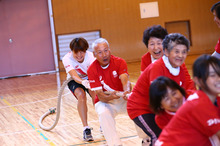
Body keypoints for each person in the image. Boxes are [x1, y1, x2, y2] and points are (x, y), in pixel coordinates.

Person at [127, 33, 196, 146]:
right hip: (141, 108)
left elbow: (189, 86)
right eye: (176, 51)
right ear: (166, 52)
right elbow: (157, 98)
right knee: (159, 136)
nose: (180, 55)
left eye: (183, 52)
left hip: (163, 106)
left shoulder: (181, 66)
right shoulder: (157, 67)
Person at [155, 54, 220, 146]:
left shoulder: (211, 100)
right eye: (213, 75)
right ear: (198, 81)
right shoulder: (200, 104)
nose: (218, 79)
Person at [87, 38, 131, 146]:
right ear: (94, 54)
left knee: (141, 108)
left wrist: (126, 91)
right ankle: (114, 144)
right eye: (100, 52)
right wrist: (111, 97)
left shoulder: (120, 62)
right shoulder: (92, 69)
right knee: (103, 113)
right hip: (106, 101)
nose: (104, 55)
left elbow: (124, 78)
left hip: (123, 98)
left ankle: (147, 139)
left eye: (106, 50)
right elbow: (100, 96)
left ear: (110, 50)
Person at [62, 37, 96, 141]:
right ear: (72, 51)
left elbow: (94, 73)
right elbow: (74, 75)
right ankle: (86, 128)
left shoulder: (91, 56)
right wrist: (83, 82)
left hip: (90, 78)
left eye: (82, 52)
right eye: (76, 52)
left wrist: (90, 83)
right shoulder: (66, 58)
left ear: (86, 51)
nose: (79, 55)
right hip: (75, 80)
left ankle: (103, 122)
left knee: (95, 94)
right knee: (81, 95)